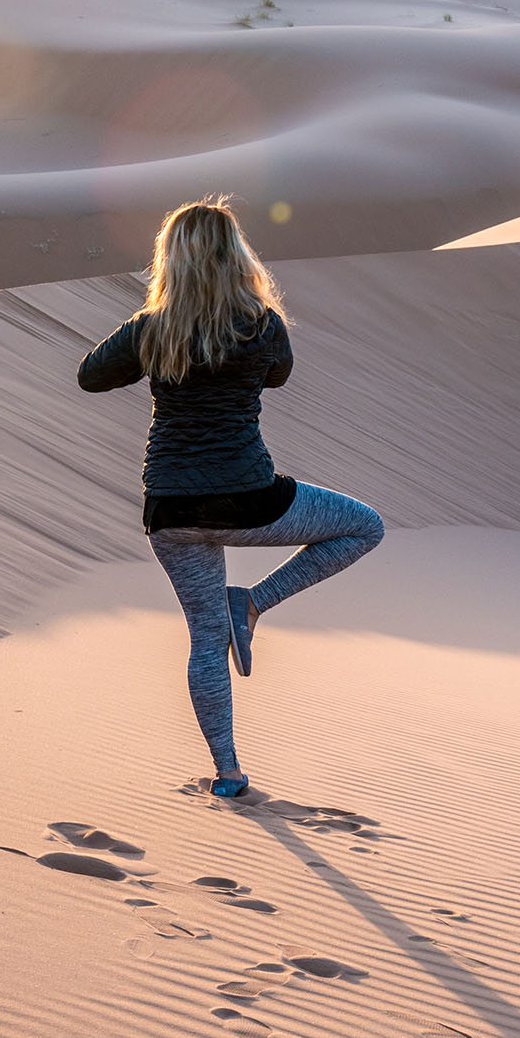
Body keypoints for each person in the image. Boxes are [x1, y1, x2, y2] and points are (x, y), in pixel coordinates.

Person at [77, 195, 384, 798]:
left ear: (173, 261)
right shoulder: (261, 325)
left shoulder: (151, 329)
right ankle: (254, 601)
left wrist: (148, 332)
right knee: (364, 527)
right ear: (235, 257)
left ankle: (228, 772)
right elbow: (279, 374)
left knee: (204, 639)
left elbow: (90, 376)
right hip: (249, 501)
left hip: (170, 511)